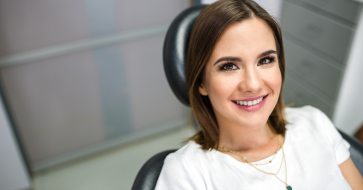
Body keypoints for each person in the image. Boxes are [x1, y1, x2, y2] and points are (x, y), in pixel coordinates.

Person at [155, 0, 363, 189]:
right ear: (201, 82)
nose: (253, 84)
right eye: (229, 66)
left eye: (265, 60)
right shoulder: (186, 173)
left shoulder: (315, 123)